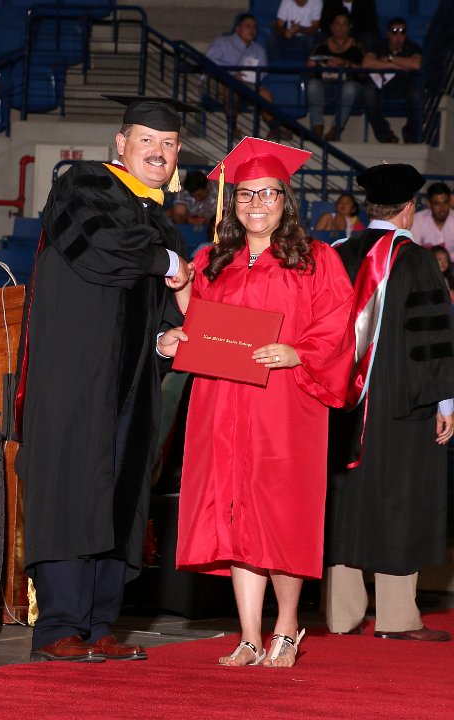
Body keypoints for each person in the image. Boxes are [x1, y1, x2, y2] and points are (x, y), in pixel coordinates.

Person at [159, 137, 355, 667]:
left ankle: (286, 629)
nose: (255, 204)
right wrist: (177, 318)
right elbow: (200, 321)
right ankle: (249, 636)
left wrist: (298, 352)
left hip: (286, 402)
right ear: (232, 202)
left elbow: (338, 326)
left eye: (268, 193)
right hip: (222, 400)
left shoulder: (316, 259)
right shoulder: (212, 259)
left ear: (285, 200)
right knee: (235, 512)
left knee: (282, 512)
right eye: (245, 195)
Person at [13, 97, 194, 663]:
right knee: (73, 483)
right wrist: (166, 262)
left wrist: (165, 341)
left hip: (131, 386)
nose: (158, 152)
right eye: (147, 140)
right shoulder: (84, 184)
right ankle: (58, 625)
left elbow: (155, 311)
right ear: (121, 143)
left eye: (169, 144)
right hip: (75, 375)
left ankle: (98, 624)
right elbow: (101, 250)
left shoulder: (162, 220)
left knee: (119, 487)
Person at [325, 163, 454, 642]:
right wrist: (445, 403)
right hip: (403, 404)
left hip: (343, 402)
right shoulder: (418, 260)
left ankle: (341, 616)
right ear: (407, 209)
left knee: (344, 500)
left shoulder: (337, 254)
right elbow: (432, 337)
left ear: (369, 207)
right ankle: (397, 618)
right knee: (400, 497)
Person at [205, 13, 290, 140]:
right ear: (238, 28)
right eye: (248, 26)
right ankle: (233, 127)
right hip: (219, 80)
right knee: (230, 85)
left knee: (265, 94)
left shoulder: (259, 49)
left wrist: (251, 77)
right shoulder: (223, 42)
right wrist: (232, 74)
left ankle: (274, 128)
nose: (252, 30)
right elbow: (209, 61)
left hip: (246, 82)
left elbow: (262, 72)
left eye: (254, 27)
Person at [361, 17, 423, 144]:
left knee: (417, 94)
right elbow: (366, 62)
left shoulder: (412, 47)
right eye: (394, 31)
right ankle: (385, 134)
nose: (398, 36)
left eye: (402, 32)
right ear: (388, 33)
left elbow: (416, 64)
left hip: (404, 86)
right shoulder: (379, 46)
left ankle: (411, 135)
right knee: (368, 92)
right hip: (382, 87)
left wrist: (390, 59)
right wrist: (394, 66)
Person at [306, 10, 364, 140]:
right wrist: (318, 64)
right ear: (331, 27)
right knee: (313, 85)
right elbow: (308, 70)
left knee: (350, 88)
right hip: (326, 85)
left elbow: (363, 73)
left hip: (349, 87)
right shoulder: (321, 46)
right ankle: (317, 127)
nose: (340, 27)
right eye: (337, 23)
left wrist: (346, 63)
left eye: (344, 24)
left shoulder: (357, 47)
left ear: (350, 27)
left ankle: (335, 129)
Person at [411, 182, 454, 260]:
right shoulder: (418, 220)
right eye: (437, 204)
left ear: (450, 201)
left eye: (445, 203)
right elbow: (414, 251)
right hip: (425, 264)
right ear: (428, 203)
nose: (442, 209)